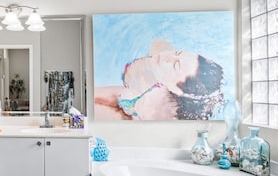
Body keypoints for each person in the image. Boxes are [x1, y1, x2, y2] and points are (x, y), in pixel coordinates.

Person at [94, 38, 225, 120]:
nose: (166, 57)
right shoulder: (154, 85)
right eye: (176, 53)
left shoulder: (157, 108)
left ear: (176, 89)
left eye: (175, 65)